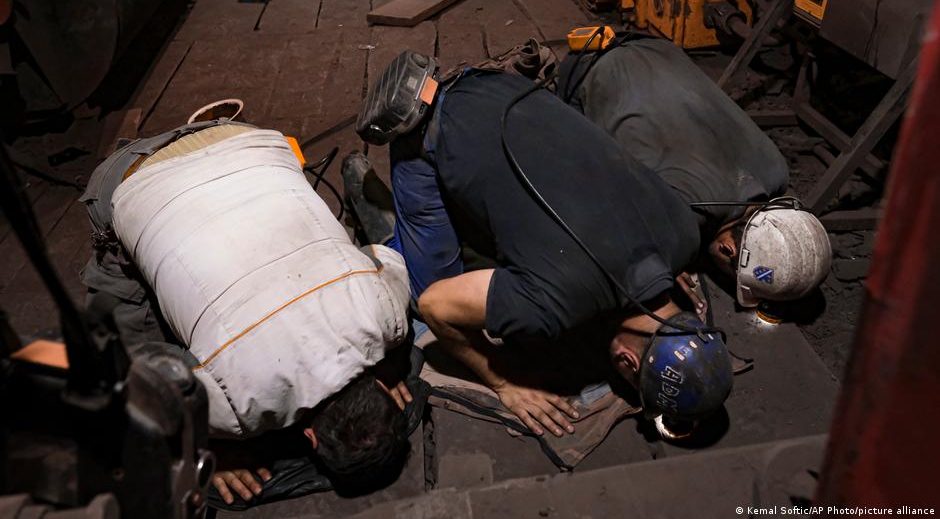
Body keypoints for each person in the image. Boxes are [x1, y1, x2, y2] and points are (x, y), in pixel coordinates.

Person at [351, 51, 734, 439]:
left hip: (499, 86)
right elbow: (438, 305)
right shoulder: (551, 306)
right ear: (628, 361)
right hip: (426, 130)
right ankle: (370, 199)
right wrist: (503, 382)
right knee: (422, 298)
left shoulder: (686, 235)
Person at [80, 118, 414, 502]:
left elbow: (381, 256)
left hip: (247, 141)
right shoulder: (232, 411)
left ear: (380, 388)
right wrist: (212, 450)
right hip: (132, 182)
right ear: (309, 436)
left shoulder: (388, 316)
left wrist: (383, 351)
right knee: (123, 342)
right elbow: (134, 383)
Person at [557, 37, 831, 312]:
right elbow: (609, 228)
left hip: (655, 46)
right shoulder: (682, 210)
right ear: (728, 250)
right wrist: (658, 261)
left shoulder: (776, 171)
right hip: (589, 68)